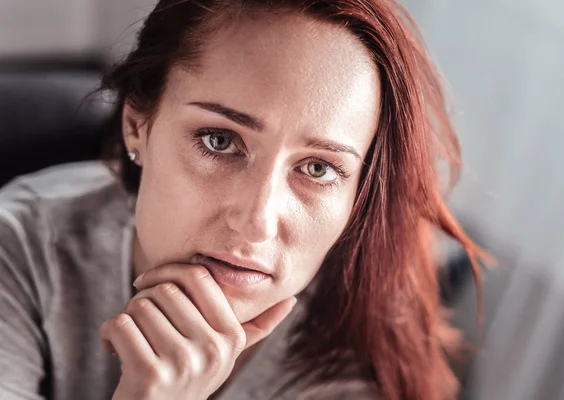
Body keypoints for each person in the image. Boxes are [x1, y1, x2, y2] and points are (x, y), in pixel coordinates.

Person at [0, 0, 483, 399]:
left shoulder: (356, 369)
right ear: (137, 126)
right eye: (219, 140)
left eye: (318, 168)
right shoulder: (22, 246)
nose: (257, 222)